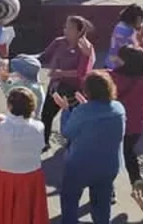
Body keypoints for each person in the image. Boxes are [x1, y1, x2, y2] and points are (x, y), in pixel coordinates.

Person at [54, 71, 126, 224]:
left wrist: (66, 111)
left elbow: (67, 132)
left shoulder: (82, 112)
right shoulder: (119, 108)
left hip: (80, 166)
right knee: (102, 204)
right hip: (108, 165)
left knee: (70, 201)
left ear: (87, 91)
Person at [0, 89, 48, 224]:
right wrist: (3, 119)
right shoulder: (39, 126)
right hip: (30, 178)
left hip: (2, 178)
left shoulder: (0, 128)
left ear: (10, 106)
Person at [39, 16, 95, 150]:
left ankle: (72, 146)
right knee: (46, 115)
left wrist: (60, 73)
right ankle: (44, 142)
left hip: (74, 91)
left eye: (70, 28)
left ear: (79, 32)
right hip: (56, 87)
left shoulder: (86, 48)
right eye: (65, 26)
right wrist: (26, 59)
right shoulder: (59, 42)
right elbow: (43, 56)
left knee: (71, 120)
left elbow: (82, 72)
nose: (65, 30)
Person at [110, 39, 143, 197]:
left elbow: (89, 81)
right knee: (129, 152)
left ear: (124, 62)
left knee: (111, 156)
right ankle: (136, 178)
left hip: (115, 124)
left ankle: (109, 190)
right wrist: (142, 42)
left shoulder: (113, 78)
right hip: (137, 124)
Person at [0, 54, 46, 119]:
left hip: (19, 119)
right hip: (34, 120)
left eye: (17, 70)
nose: (14, 71)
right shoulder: (36, 85)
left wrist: (3, 80)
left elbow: (8, 92)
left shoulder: (24, 85)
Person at [105, 4, 143, 69]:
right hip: (121, 67)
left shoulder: (119, 25)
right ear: (138, 18)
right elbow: (139, 50)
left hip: (110, 62)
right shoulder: (131, 33)